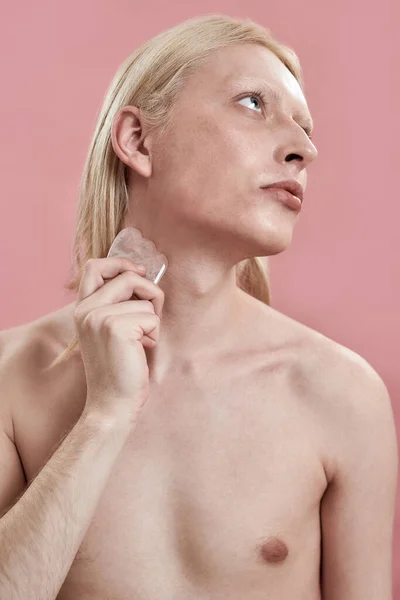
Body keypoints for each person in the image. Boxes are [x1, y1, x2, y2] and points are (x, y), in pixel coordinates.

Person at [0, 13, 397, 600]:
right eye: (253, 103)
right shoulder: (11, 379)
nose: (304, 149)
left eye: (306, 129)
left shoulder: (339, 393)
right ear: (138, 140)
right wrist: (105, 414)